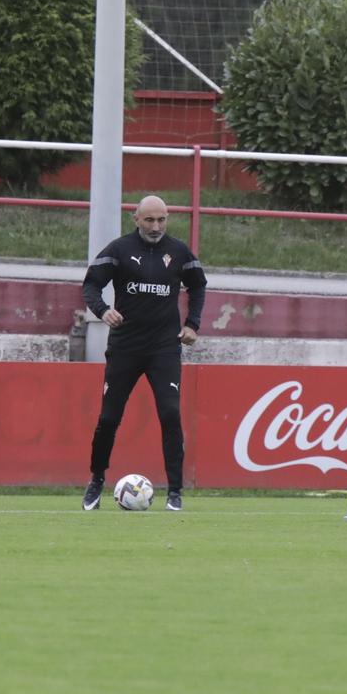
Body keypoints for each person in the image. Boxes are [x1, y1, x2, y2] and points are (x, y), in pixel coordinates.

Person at [81, 195, 206, 512]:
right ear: (135, 218)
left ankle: (175, 492)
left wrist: (192, 324)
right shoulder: (119, 250)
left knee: (169, 415)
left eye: (161, 219)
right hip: (125, 346)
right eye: (149, 220)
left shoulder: (178, 252)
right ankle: (96, 481)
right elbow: (91, 285)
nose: (156, 226)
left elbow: (198, 285)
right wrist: (102, 310)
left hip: (163, 347)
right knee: (109, 418)